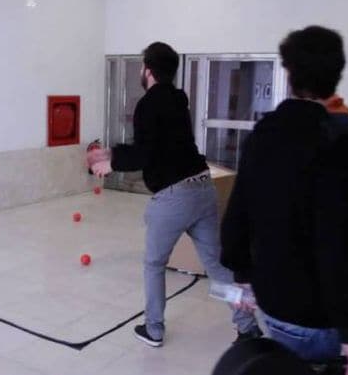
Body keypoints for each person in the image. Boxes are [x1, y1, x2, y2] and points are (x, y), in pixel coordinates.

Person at [220, 26, 348, 375]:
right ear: (337, 75)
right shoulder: (339, 142)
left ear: (288, 74)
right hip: (314, 314)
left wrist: (242, 275)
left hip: (270, 300)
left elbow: (238, 213)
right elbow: (335, 244)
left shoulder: (264, 132)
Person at [88, 42, 259, 347]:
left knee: (154, 265)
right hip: (203, 188)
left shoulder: (148, 104)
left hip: (174, 197)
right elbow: (160, 145)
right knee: (216, 266)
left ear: (147, 70)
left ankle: (153, 329)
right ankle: (247, 328)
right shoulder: (179, 101)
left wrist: (110, 163)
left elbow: (145, 153)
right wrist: (113, 152)